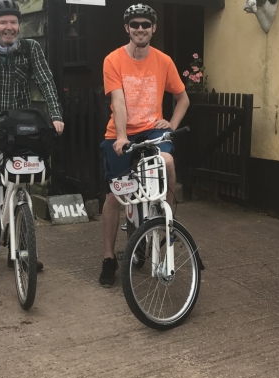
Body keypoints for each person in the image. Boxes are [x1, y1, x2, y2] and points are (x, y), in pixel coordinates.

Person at [0, 0, 64, 286]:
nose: (9, 27)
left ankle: (21, 248)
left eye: (13, 22)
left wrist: (55, 116)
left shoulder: (30, 49)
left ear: (19, 25)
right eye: (3, 22)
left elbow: (46, 82)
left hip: (19, 128)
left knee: (22, 182)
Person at [99, 4, 190, 287]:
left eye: (146, 24)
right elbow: (118, 101)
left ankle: (167, 220)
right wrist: (123, 135)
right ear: (127, 28)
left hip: (153, 131)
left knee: (169, 162)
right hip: (121, 133)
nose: (140, 29)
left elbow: (183, 99)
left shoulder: (164, 61)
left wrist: (171, 125)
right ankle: (108, 258)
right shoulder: (113, 60)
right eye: (135, 25)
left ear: (154, 28)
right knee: (116, 197)